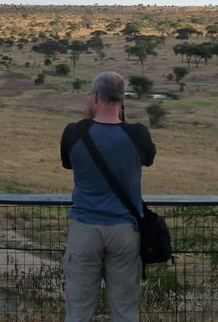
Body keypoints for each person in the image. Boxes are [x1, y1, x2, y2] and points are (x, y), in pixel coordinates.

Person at [60, 71, 156, 322]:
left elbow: (68, 163)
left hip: (85, 228)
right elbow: (149, 158)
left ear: (94, 97)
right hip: (125, 230)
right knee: (125, 307)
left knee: (79, 307)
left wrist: (89, 117)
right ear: (123, 100)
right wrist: (122, 119)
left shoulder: (74, 133)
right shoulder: (138, 134)